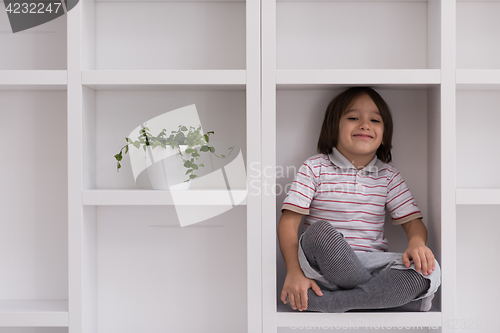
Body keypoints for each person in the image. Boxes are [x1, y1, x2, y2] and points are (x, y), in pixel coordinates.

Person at [278, 87, 441, 313]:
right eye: (353, 118)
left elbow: (414, 224)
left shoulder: (388, 176)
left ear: (384, 135)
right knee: (319, 232)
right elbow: (289, 223)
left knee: (429, 270)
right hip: (322, 270)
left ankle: (335, 302)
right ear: (333, 127)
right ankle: (383, 299)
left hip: (371, 265)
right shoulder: (315, 167)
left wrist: (416, 243)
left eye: (375, 120)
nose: (365, 124)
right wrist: (294, 271)